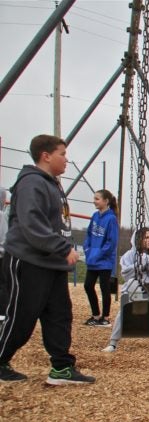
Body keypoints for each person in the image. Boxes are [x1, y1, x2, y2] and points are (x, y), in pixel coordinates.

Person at [0, 134, 95, 385]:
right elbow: (32, 224)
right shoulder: (32, 182)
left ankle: (61, 368)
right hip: (28, 260)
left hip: (51, 263)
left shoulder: (51, 183)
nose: (66, 159)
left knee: (59, 315)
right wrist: (62, 247)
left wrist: (60, 251)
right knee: (22, 316)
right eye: (62, 154)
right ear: (46, 156)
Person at [102, 227, 149, 352]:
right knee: (124, 308)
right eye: (146, 237)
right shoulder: (129, 255)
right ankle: (113, 343)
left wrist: (147, 262)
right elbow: (126, 274)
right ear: (138, 239)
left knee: (132, 287)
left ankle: (115, 342)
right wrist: (141, 263)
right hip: (133, 288)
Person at [83, 189, 119, 327]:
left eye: (97, 198)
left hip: (104, 261)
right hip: (93, 259)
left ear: (106, 201)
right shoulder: (95, 216)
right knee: (88, 285)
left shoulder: (111, 219)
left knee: (104, 288)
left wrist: (98, 254)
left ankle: (106, 317)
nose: (94, 201)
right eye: (94, 198)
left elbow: (112, 242)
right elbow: (89, 235)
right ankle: (96, 315)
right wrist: (87, 250)